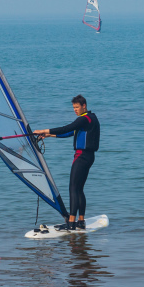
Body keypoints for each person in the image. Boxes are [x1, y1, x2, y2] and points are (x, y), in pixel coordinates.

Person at [34, 95, 100, 230]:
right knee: (79, 189)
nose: (75, 110)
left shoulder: (84, 118)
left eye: (77, 107)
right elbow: (71, 132)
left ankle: (71, 222)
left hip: (81, 156)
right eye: (73, 108)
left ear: (84, 106)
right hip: (89, 156)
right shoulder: (91, 119)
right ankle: (81, 221)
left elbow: (67, 128)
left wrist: (44, 130)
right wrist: (50, 135)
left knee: (73, 188)